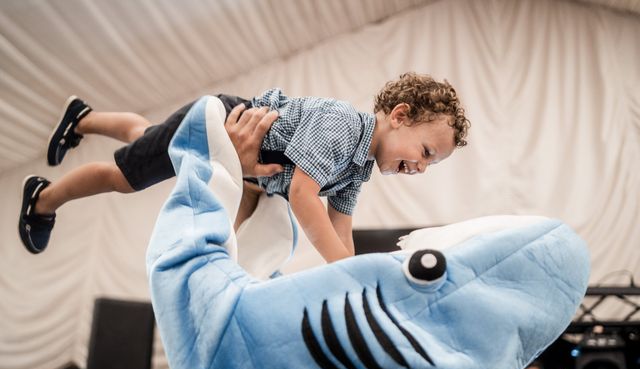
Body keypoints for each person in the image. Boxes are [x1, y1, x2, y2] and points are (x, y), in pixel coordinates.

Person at [18, 73, 470, 262]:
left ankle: (82, 118)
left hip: (227, 146)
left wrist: (354, 273)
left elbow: (342, 228)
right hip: (220, 121)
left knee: (148, 140)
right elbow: (302, 197)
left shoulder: (357, 169)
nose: (421, 168)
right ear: (401, 115)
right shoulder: (341, 126)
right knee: (124, 178)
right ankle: (42, 199)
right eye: (427, 153)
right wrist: (340, 270)